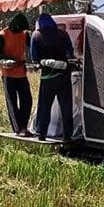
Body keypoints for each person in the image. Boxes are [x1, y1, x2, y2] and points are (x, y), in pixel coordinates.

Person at [30, 13, 75, 144]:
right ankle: (67, 135)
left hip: (47, 77)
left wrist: (44, 62)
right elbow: (70, 51)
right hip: (63, 75)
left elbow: (34, 57)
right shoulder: (62, 34)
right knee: (66, 106)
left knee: (44, 106)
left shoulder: (36, 35)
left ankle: (41, 133)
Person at [0, 13, 33, 137]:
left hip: (21, 72)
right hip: (8, 73)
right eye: (20, 28)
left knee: (27, 100)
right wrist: (9, 60)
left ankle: (24, 126)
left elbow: (32, 47)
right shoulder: (2, 35)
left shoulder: (24, 34)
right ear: (15, 25)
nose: (22, 31)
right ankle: (18, 129)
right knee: (12, 102)